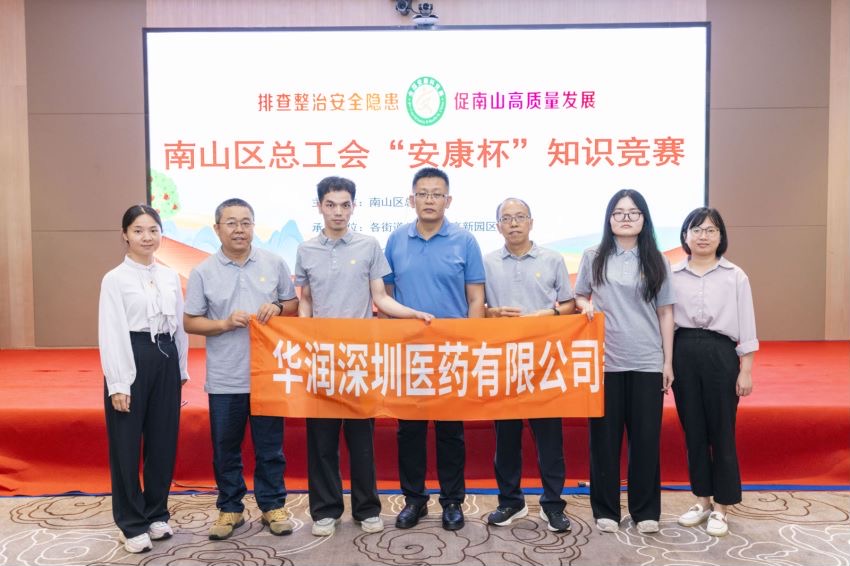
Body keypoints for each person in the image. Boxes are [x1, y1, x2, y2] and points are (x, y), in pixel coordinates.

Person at [295, 176, 434, 537]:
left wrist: (412, 313)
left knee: (361, 440)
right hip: (322, 358)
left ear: (353, 207)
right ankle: (325, 510)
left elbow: (381, 298)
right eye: (331, 205)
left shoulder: (369, 245)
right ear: (320, 207)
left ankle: (367, 508)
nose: (338, 212)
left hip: (359, 359)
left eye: (345, 205)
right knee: (322, 440)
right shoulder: (306, 250)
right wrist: (305, 336)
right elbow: (306, 301)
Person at [183, 198, 299, 540]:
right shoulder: (203, 271)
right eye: (231, 223)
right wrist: (223, 324)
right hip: (225, 376)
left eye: (246, 222)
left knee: (270, 448)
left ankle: (272, 505)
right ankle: (230, 507)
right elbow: (190, 322)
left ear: (253, 227)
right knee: (225, 448)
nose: (239, 229)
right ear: (217, 228)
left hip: (267, 375)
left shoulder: (273, 262)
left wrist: (278, 308)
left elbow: (292, 303)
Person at [383, 167, 486, 531]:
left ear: (448, 200)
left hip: (451, 352)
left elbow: (476, 298)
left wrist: (471, 346)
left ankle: (452, 501)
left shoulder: (465, 241)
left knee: (450, 431)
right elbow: (386, 296)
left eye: (436, 194)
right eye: (423, 194)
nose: (429, 200)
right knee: (409, 430)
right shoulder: (396, 240)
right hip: (409, 352)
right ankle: (414, 500)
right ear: (411, 199)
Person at [574, 189, 675, 535]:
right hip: (605, 361)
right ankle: (606, 510)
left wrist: (667, 362)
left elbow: (666, 312)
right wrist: (584, 305)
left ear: (644, 219)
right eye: (618, 212)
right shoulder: (593, 255)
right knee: (604, 440)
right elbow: (579, 294)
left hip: (647, 359)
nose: (626, 218)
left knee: (645, 440)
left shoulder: (657, 260)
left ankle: (645, 510)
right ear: (609, 219)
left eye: (633, 212)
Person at [99, 204, 189, 553]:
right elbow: (111, 331)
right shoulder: (114, 279)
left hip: (166, 358)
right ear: (125, 235)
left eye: (153, 230)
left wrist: (181, 369)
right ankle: (131, 523)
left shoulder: (169, 276)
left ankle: (156, 513)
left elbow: (179, 326)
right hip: (131, 356)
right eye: (138, 230)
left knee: (163, 441)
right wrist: (118, 383)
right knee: (125, 445)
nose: (146, 237)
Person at [483, 197, 576, 533]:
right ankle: (511, 501)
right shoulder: (487, 262)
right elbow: (476, 307)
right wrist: (491, 312)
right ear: (498, 226)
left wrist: (549, 313)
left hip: (544, 363)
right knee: (505, 439)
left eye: (520, 217)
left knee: (549, 439)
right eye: (507, 218)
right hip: (504, 361)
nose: (514, 223)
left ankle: (553, 504)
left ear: (531, 222)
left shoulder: (552, 259)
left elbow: (569, 305)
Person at [670, 207, 757, 537]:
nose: (703, 236)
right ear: (685, 236)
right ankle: (702, 500)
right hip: (683, 351)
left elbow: (747, 324)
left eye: (710, 230)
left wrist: (746, 369)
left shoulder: (735, 275)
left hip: (721, 353)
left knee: (722, 431)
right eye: (696, 230)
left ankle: (722, 506)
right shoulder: (672, 274)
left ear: (721, 237)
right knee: (693, 430)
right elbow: (665, 319)